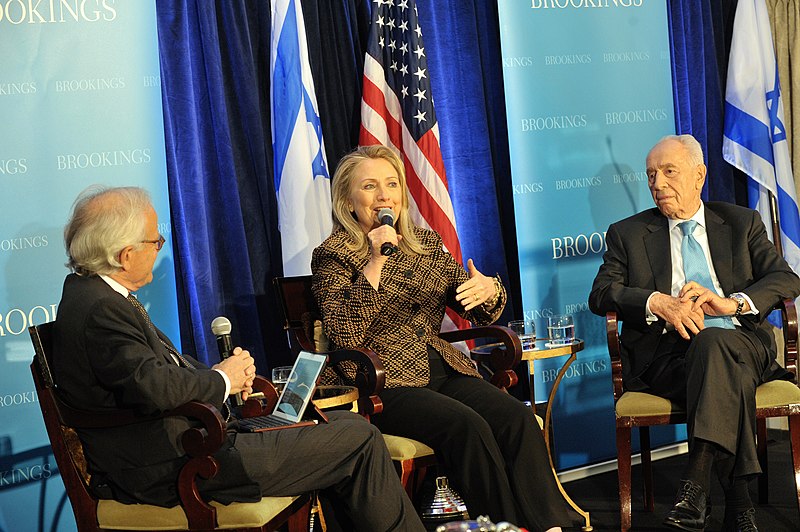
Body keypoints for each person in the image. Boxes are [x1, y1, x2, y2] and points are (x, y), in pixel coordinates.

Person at [52, 185, 424, 532]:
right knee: (359, 437)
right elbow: (155, 387)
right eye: (154, 240)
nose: (159, 248)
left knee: (340, 426)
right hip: (176, 464)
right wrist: (223, 380)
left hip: (188, 445)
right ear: (124, 254)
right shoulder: (101, 308)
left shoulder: (95, 295)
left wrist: (225, 374)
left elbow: (167, 365)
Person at [311, 145, 570, 531]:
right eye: (370, 186)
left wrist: (490, 292)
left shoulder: (425, 245)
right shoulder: (333, 256)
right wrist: (377, 257)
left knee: (515, 416)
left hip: (441, 368)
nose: (384, 195)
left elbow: (473, 305)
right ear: (349, 202)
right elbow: (346, 332)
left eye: (391, 184)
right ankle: (504, 526)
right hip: (382, 382)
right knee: (468, 426)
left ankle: (552, 525)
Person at [589, 134, 800, 532]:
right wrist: (657, 301)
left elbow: (786, 279)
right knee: (721, 364)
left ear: (699, 175)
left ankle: (695, 489)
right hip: (670, 358)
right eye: (651, 175)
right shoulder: (628, 234)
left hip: (743, 344)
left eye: (669, 172)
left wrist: (731, 303)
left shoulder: (740, 223)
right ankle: (740, 508)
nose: (657, 183)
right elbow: (601, 293)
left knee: (717, 342)